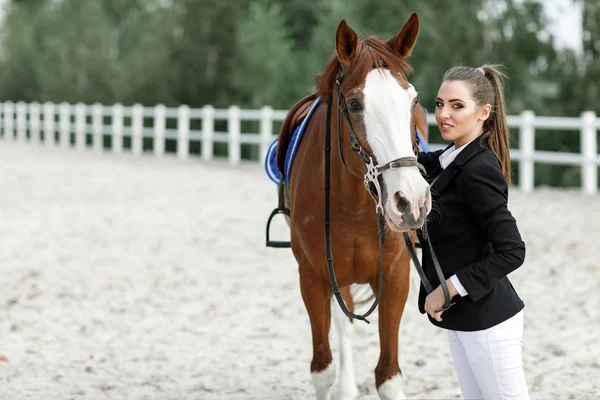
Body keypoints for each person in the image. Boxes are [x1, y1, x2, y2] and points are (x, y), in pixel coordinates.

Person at [417, 65, 530, 400]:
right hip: (463, 319)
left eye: (456, 105)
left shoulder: (479, 168)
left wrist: (448, 290)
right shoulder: (447, 160)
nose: (443, 114)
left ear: (484, 112)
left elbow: (512, 250)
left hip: (488, 322)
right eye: (439, 104)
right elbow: (410, 164)